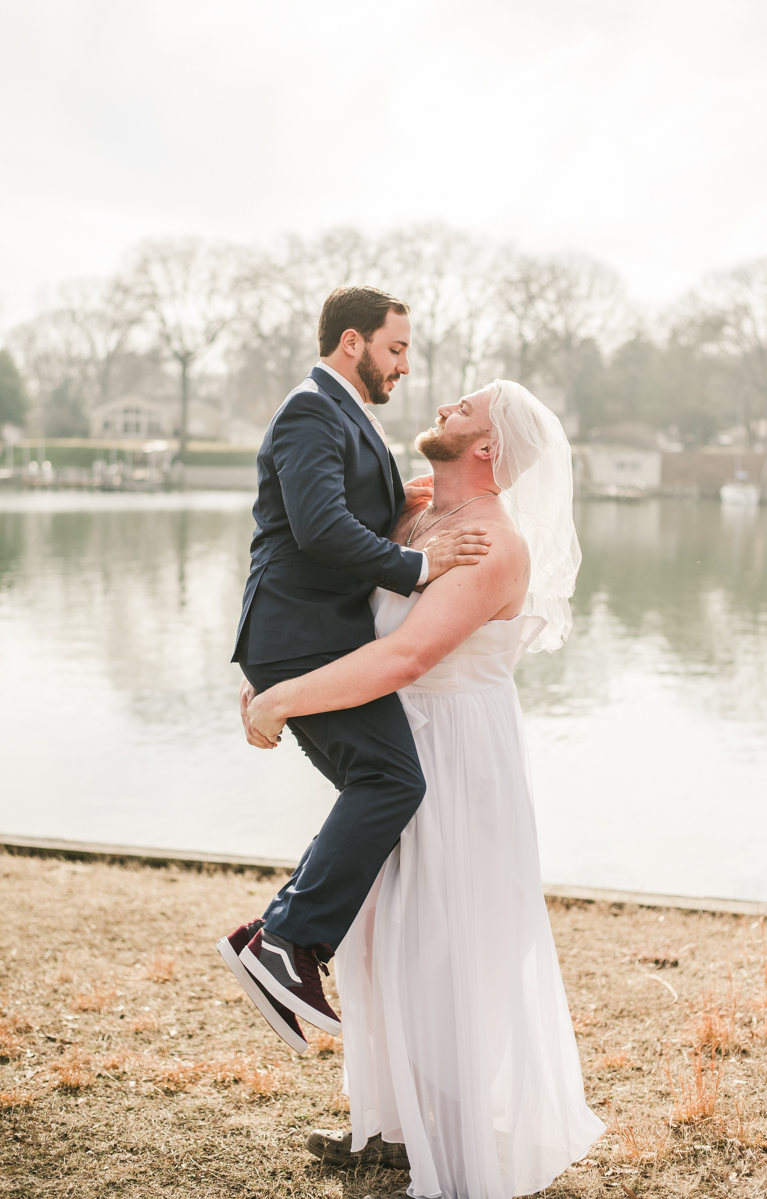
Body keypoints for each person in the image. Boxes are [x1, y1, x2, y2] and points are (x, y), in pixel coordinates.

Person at [246, 380, 605, 1199]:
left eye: (467, 407)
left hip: (453, 756)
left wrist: (281, 701)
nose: (446, 404)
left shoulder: (490, 544)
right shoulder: (414, 515)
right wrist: (271, 671)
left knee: (439, 944)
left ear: (488, 448)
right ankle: (387, 1124)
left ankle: (452, 1144)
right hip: (388, 748)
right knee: (375, 940)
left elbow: (406, 657)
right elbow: (326, 592)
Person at [217, 286, 492, 1055]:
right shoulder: (311, 409)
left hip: (304, 638)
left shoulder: (342, 412)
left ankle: (278, 934)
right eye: (396, 348)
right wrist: (419, 562)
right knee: (391, 781)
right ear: (351, 343)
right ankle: (286, 940)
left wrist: (412, 502)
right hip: (302, 636)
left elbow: (345, 511)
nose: (405, 365)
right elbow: (318, 525)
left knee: (375, 785)